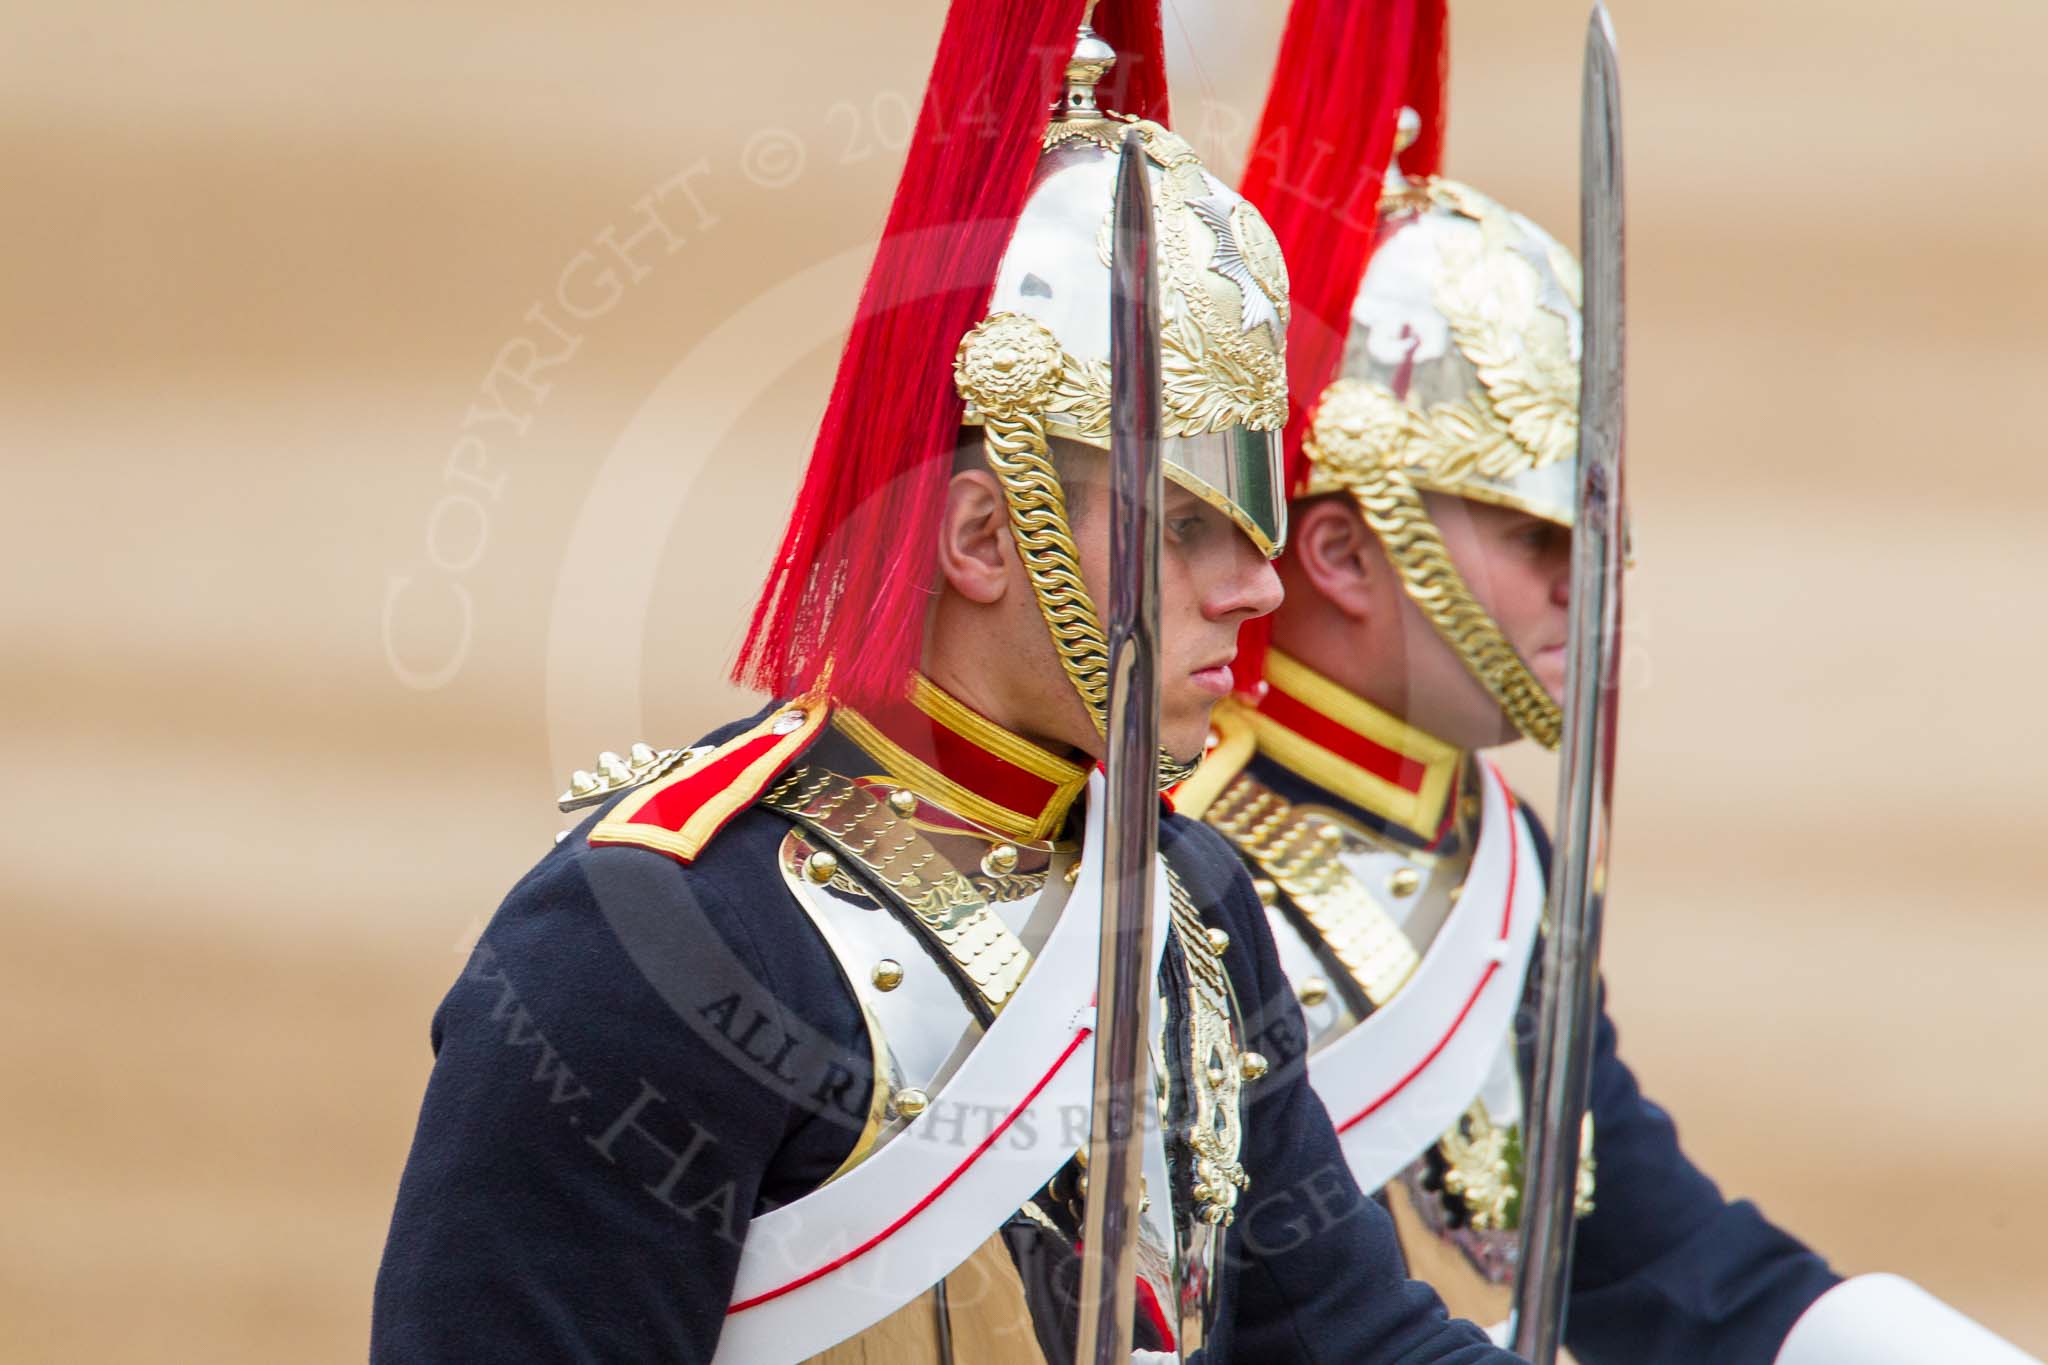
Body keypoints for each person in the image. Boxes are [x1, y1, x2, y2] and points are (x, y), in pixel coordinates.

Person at [371, 2, 1525, 1360]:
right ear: (984, 535)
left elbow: (1345, 1336)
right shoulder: (645, 946)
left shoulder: (1192, 899)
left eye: (1252, 525)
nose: (1260, 588)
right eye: (1187, 527)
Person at [1176, 2, 2042, 1362]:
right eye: (1536, 536)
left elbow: (1663, 1271)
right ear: (1341, 547)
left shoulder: (1485, 861)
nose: (1596, 579)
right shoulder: (1159, 860)